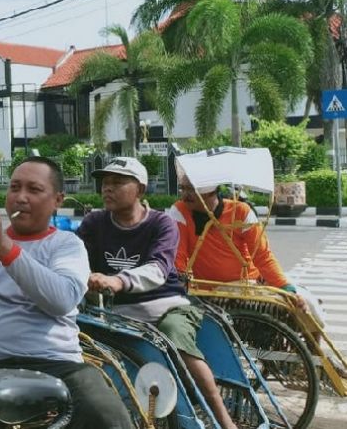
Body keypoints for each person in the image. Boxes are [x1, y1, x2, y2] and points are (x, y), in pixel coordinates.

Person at [0, 156, 133, 429]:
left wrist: (4, 246)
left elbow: (61, 299)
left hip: (58, 366)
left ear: (58, 200)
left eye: (34, 189)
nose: (20, 197)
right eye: (14, 187)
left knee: (108, 417)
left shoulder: (67, 244)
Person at [77, 158, 237, 429]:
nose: (108, 189)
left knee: (175, 335)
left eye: (117, 183)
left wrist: (118, 280)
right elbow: (75, 256)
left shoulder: (161, 223)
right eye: (105, 183)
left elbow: (158, 269)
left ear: (140, 190)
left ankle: (223, 419)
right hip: (116, 314)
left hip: (167, 306)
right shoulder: (94, 222)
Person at [169, 177, 316, 317]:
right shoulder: (179, 211)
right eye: (182, 188)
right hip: (213, 290)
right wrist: (180, 285)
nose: (184, 195)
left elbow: (263, 256)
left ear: (209, 191)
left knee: (307, 302)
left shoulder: (241, 211)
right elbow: (178, 256)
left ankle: (312, 343)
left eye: (190, 189)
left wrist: (286, 289)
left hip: (251, 281)